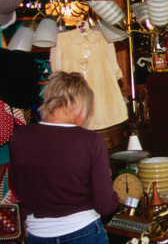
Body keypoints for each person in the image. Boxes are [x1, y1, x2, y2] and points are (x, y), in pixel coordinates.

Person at [10, 71, 118, 244]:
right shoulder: (90, 141)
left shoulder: (19, 137)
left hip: (37, 234)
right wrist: (115, 194)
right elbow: (105, 205)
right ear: (79, 105)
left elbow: (17, 186)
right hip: (84, 232)